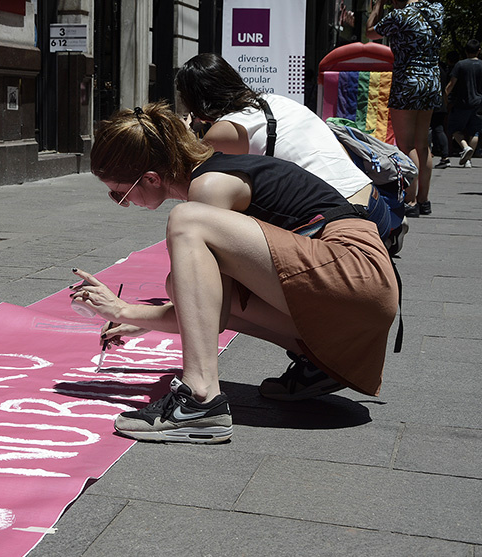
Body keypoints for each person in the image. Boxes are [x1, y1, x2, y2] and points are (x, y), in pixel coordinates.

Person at [69, 103, 398, 444]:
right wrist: (136, 317)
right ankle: (315, 361)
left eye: (119, 193)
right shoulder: (216, 173)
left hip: (354, 270)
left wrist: (124, 310)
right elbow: (210, 308)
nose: (120, 201)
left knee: (187, 222)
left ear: (151, 178)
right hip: (357, 299)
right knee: (179, 285)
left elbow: (217, 310)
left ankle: (200, 400)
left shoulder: (209, 187)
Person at [175, 53, 398, 241]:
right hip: (376, 206)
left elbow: (196, 184)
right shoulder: (274, 101)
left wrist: (185, 136)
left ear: (196, 101)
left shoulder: (227, 130)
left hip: (341, 222)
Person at [367, 0, 444, 216]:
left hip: (407, 82)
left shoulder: (399, 16)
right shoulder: (437, 10)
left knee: (406, 144)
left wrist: (377, 7)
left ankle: (410, 200)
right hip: (431, 81)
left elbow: (371, 33)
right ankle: (424, 200)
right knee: (422, 143)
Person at [444, 39, 482, 168]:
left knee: (454, 129)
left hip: (462, 103)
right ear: (479, 51)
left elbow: (451, 84)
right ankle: (468, 160)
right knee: (475, 132)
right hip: (479, 103)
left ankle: (465, 148)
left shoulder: (460, 65)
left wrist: (444, 97)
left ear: (466, 51)